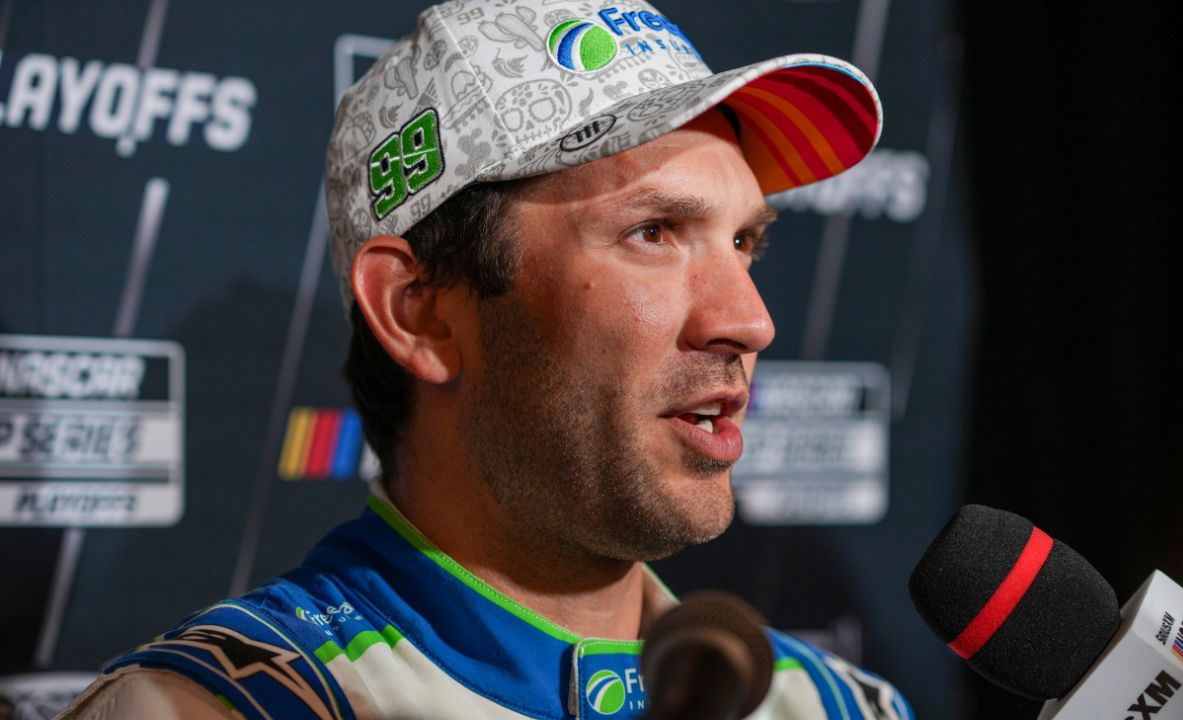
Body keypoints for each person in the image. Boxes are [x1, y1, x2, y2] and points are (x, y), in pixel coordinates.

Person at [59, 0, 910, 717]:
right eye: (653, 233)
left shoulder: (835, 704)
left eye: (743, 242)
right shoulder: (216, 708)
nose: (750, 321)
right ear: (418, 312)